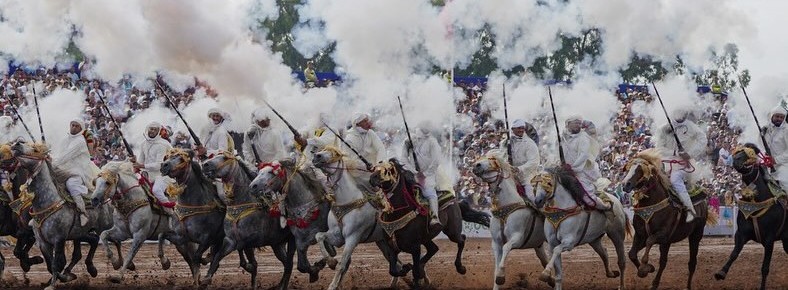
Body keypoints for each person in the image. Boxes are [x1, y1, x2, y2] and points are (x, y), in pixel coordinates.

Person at [657, 108, 707, 222]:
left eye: (684, 112)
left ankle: (690, 210)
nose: (682, 114)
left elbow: (703, 140)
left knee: (675, 179)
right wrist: (673, 153)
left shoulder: (692, 127)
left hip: (683, 164)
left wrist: (689, 154)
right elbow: (658, 147)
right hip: (665, 161)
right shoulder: (663, 128)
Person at [54, 120, 101, 226]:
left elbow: (66, 156)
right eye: (72, 125)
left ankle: (82, 212)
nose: (74, 127)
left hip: (78, 170)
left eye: (77, 126)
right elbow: (59, 154)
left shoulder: (80, 141)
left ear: (81, 129)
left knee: (71, 184)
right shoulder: (65, 139)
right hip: (63, 168)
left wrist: (53, 164)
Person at [562, 116, 611, 213]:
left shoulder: (583, 137)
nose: (578, 125)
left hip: (580, 171)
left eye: (579, 123)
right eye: (575, 123)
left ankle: (606, 207)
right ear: (568, 124)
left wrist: (572, 168)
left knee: (589, 200)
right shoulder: (562, 138)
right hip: (564, 171)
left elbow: (583, 155)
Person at [402, 122, 444, 228]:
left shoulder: (432, 142)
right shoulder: (409, 141)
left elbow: (436, 161)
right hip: (411, 174)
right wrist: (413, 170)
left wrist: (424, 174)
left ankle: (434, 217)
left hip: (428, 175)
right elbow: (403, 159)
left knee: (430, 193)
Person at [131, 122, 175, 212]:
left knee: (156, 190)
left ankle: (171, 212)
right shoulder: (143, 143)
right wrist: (134, 161)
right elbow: (140, 161)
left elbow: (159, 165)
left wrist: (141, 165)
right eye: (151, 129)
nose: (152, 131)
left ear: (158, 132)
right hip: (147, 174)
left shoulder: (162, 144)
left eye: (155, 129)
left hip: (162, 175)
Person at [500, 119, 540, 195]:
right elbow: (502, 156)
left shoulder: (529, 143)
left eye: (522, 128)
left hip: (527, 176)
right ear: (513, 129)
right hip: (510, 175)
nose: (521, 130)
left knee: (530, 196)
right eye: (519, 128)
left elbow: (534, 161)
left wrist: (519, 169)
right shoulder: (505, 142)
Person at [763, 106, 788, 186]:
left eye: (781, 117)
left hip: (784, 165)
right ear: (772, 116)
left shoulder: (786, 130)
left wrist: (775, 160)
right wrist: (760, 134)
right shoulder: (767, 129)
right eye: (777, 116)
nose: (779, 119)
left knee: (785, 184)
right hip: (768, 165)